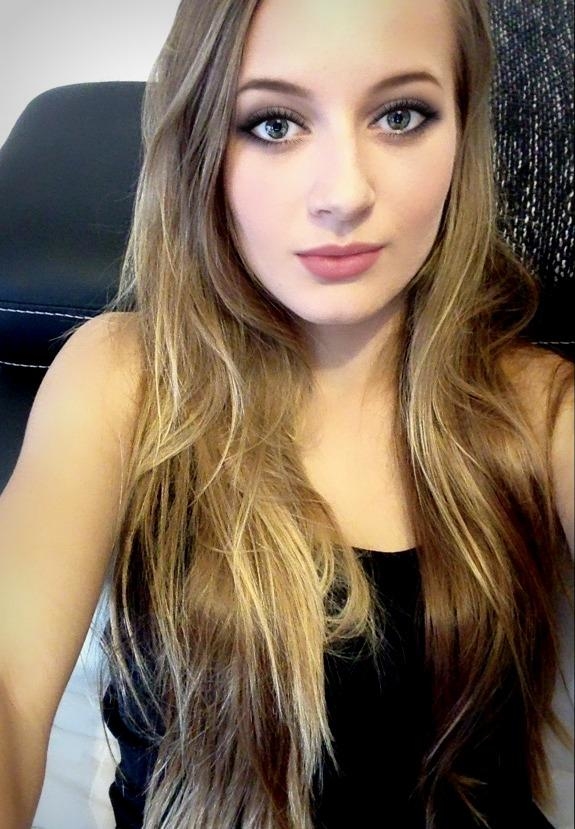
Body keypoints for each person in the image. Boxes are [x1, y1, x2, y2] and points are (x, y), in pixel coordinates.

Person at [0, 0, 573, 827]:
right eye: (272, 124)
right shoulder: (125, 379)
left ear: (461, 134)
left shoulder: (538, 406)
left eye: (400, 116)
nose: (343, 194)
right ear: (202, 144)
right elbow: (12, 677)